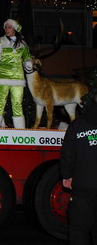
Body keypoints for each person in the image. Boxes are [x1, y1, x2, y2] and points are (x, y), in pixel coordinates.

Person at [60, 101, 97, 244]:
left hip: (83, 185)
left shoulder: (77, 125)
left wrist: (66, 175)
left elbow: (68, 153)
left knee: (79, 229)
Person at [0, 19, 31, 129]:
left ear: (15, 29)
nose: (6, 29)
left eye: (9, 27)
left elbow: (27, 58)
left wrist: (29, 63)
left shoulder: (22, 44)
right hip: (2, 77)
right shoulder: (0, 42)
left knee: (17, 104)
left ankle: (19, 130)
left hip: (18, 78)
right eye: (5, 27)